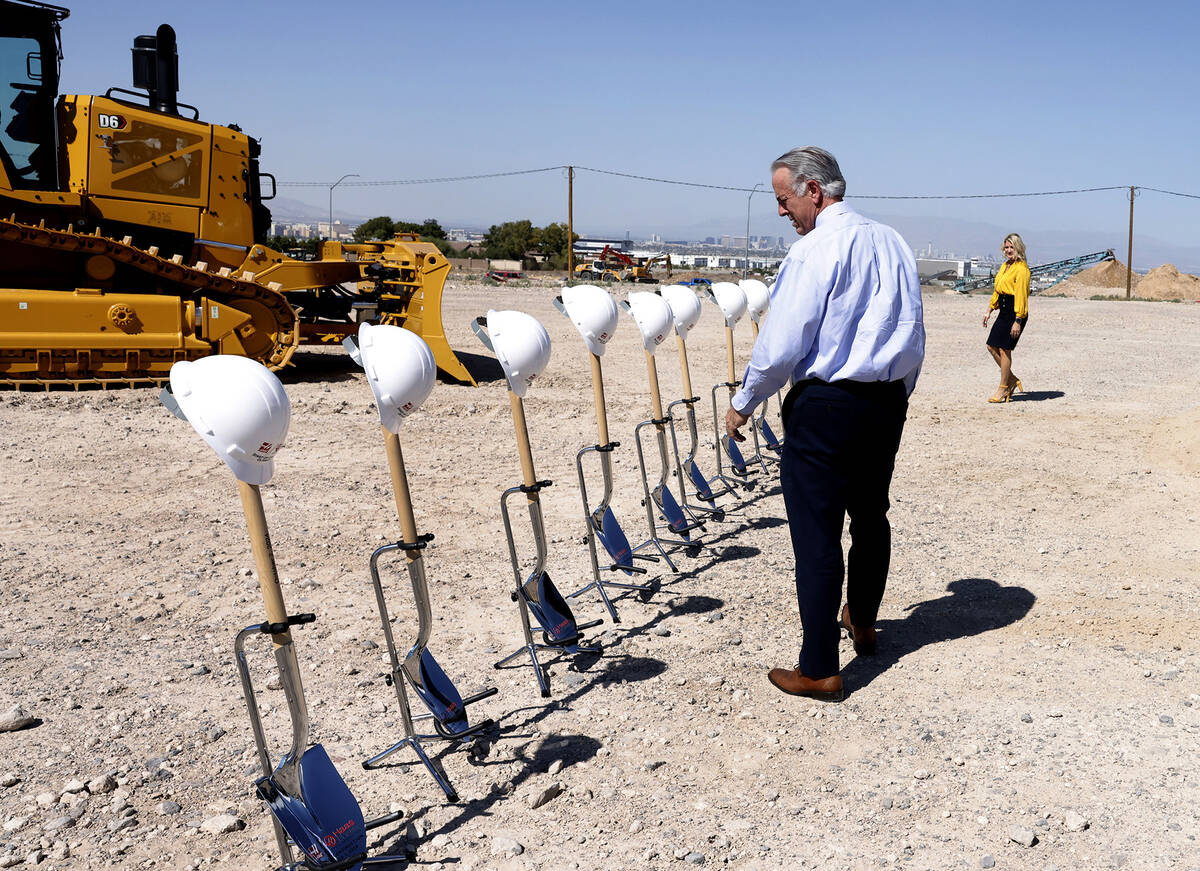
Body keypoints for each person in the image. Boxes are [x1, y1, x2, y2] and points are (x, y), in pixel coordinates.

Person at [725, 147, 925, 702]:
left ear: (814, 191)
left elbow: (784, 338)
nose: (783, 212)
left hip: (827, 406)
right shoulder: (893, 242)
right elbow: (912, 329)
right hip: (884, 404)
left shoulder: (818, 249)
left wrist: (745, 400)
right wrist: (897, 394)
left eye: (784, 200)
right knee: (871, 516)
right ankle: (862, 621)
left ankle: (818, 669)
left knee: (816, 534)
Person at [982, 234, 1030, 402]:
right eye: (1007, 247)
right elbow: (998, 289)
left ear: (1019, 248)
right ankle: (1012, 380)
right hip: (1003, 310)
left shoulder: (1022, 269)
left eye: (1012, 247)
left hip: (1015, 312)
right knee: (991, 346)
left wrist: (1018, 320)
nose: (1009, 250)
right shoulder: (1005, 266)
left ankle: (1003, 389)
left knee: (1004, 349)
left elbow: (1021, 295)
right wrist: (989, 309)